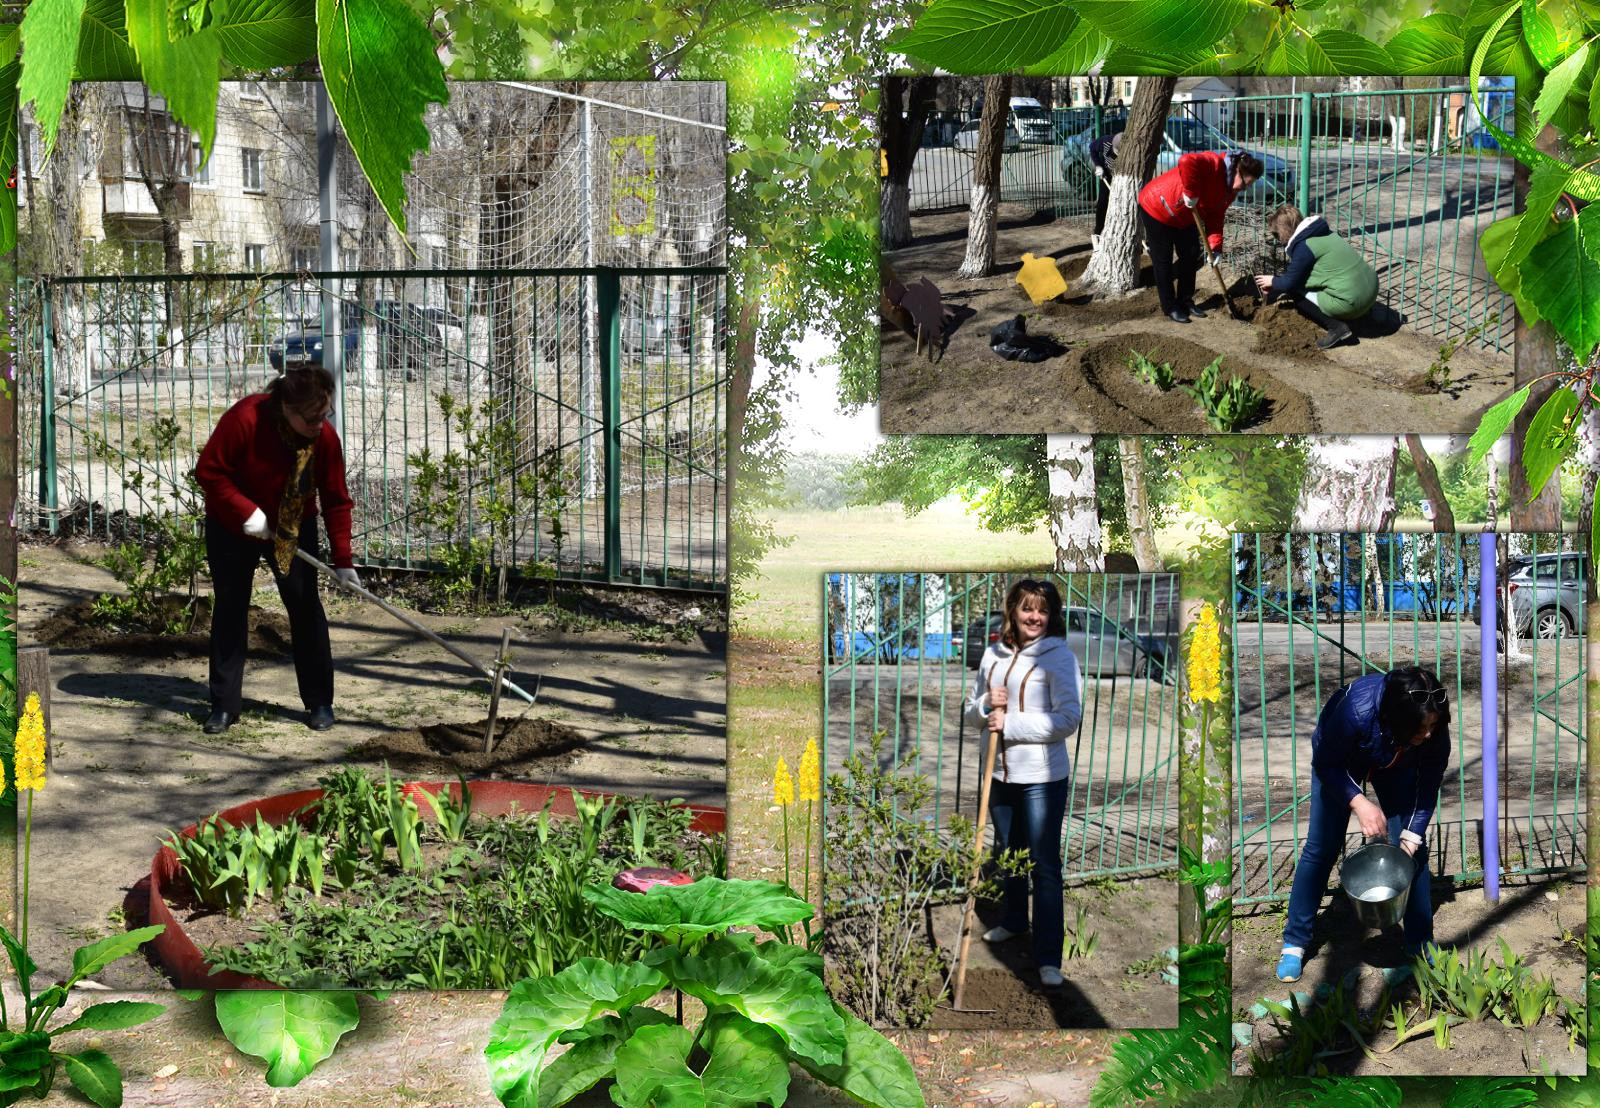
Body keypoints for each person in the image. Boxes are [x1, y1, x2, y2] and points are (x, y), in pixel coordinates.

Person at [193, 366, 360, 734]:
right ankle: (224, 705)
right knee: (231, 607)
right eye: (312, 417)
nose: (320, 424)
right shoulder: (245, 419)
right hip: (232, 525)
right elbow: (208, 472)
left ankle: (319, 702)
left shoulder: (324, 440)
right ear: (286, 406)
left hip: (293, 524)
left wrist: (344, 560)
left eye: (325, 414)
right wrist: (246, 512)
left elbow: (336, 500)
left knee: (304, 607)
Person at [1275, 666, 1450, 984]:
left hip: (1398, 761)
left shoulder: (1431, 724)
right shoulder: (1355, 711)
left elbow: (1429, 782)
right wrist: (1358, 801)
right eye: (1420, 728)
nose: (1427, 734)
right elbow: (1325, 763)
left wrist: (1412, 834)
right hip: (1342, 763)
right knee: (1321, 848)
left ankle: (1420, 943)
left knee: (1414, 852)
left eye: (1433, 727)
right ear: (1397, 717)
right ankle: (1294, 943)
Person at [964, 578, 1084, 988]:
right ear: (1013, 609)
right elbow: (971, 711)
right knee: (1007, 852)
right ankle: (1015, 921)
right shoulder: (993, 654)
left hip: (1041, 778)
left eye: (1044, 610)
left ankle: (1049, 956)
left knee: (1044, 864)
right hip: (998, 774)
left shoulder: (1059, 657)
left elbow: (1067, 718)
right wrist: (984, 707)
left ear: (1052, 616)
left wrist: (1010, 723)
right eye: (1028, 608)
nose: (1035, 617)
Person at [1137, 149, 1264, 323]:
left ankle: (1186, 301)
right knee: (1163, 258)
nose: (1244, 188)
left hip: (1186, 216)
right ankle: (1170, 306)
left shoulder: (1230, 192)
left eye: (1248, 186)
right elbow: (1187, 161)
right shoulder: (1214, 164)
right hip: (1159, 206)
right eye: (1245, 183)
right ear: (1237, 171)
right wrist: (1191, 192)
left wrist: (1216, 247)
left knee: (1190, 253)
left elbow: (1216, 217)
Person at [1253, 203, 1379, 349]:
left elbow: (1289, 283)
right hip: (1371, 290)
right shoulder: (1323, 233)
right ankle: (1362, 314)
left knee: (1294, 290)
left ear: (1283, 232)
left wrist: (1272, 280)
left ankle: (1336, 328)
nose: (1277, 240)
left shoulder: (1303, 247)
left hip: (1352, 302)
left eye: (1276, 235)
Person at [1088, 130, 1123, 245]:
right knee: (1103, 202)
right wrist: (1098, 166)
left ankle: (1118, 233)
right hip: (1107, 173)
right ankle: (1098, 232)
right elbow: (1092, 148)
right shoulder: (1105, 141)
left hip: (1122, 176)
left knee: (1120, 204)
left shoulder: (1128, 151)